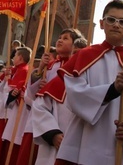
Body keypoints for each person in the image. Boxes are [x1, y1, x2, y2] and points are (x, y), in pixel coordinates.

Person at [57, 0, 123, 165]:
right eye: (111, 20)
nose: (116, 25)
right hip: (84, 142)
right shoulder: (84, 56)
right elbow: (75, 96)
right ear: (102, 23)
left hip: (119, 148)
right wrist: (112, 90)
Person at [31, 29, 86, 165]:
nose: (60, 40)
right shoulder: (56, 72)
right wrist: (52, 133)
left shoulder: (92, 79)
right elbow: (37, 103)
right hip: (53, 139)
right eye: (60, 37)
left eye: (65, 38)